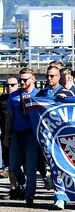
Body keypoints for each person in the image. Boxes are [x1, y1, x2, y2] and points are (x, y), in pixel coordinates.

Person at [6, 68, 40, 207]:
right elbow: (10, 116)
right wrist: (6, 135)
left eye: (25, 79)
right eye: (20, 79)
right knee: (13, 167)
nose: (22, 82)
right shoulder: (13, 96)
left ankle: (29, 196)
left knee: (31, 168)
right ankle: (24, 185)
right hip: (16, 134)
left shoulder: (39, 95)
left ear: (33, 79)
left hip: (32, 135)